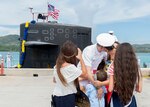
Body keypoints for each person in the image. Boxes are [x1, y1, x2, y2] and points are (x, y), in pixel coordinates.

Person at [52, 40, 88, 107]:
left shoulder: (57, 66)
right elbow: (85, 74)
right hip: (67, 97)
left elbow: (54, 80)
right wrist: (81, 58)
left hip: (56, 96)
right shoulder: (70, 67)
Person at [108, 43, 142, 107]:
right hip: (131, 100)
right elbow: (139, 89)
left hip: (117, 99)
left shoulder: (113, 67)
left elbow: (110, 89)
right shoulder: (136, 66)